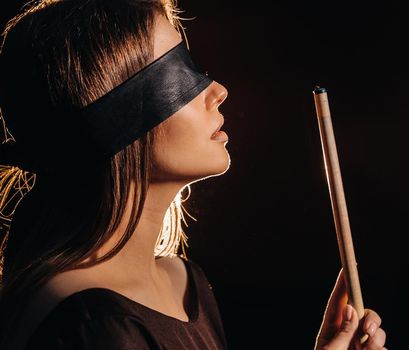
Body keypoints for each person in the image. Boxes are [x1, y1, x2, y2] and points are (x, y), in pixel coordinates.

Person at [0, 0, 387, 349]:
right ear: (112, 121)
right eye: (179, 78)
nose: (217, 91)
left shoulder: (185, 284)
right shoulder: (93, 325)